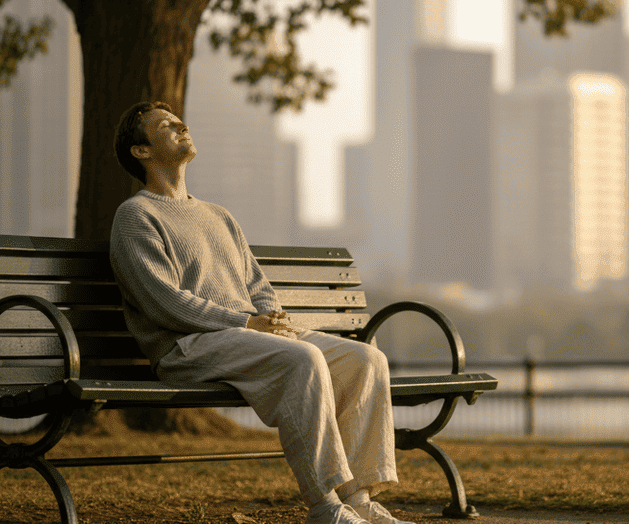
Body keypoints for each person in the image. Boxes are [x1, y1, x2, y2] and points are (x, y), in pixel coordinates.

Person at [109, 101, 412, 524]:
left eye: (179, 120)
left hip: (247, 337)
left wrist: (274, 321)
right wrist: (245, 322)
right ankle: (326, 507)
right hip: (188, 347)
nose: (181, 125)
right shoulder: (135, 216)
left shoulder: (219, 215)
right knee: (303, 360)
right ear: (141, 152)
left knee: (365, 360)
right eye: (165, 125)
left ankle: (358, 500)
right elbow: (163, 300)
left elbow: (256, 285)